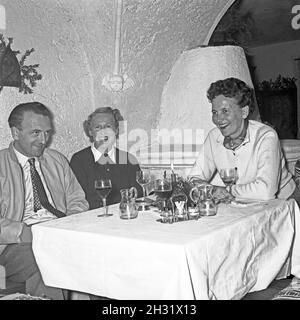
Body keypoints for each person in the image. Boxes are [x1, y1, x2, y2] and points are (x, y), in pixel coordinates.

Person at [0, 102, 89, 299]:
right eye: (36, 133)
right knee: (46, 257)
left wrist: (69, 223)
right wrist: (21, 232)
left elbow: (78, 200)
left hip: (58, 233)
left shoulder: (57, 160)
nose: (44, 140)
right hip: (14, 245)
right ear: (15, 133)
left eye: (47, 133)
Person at [188, 77, 298, 203]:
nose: (218, 119)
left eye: (225, 111)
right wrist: (212, 190)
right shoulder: (214, 137)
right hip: (246, 204)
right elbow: (193, 178)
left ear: (244, 112)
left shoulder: (266, 136)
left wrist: (227, 191)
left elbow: (266, 191)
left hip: (285, 204)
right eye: (215, 112)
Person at [70, 107, 142, 209]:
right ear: (90, 131)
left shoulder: (129, 160)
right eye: (98, 127)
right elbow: (76, 200)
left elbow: (138, 196)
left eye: (108, 126)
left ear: (116, 130)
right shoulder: (79, 161)